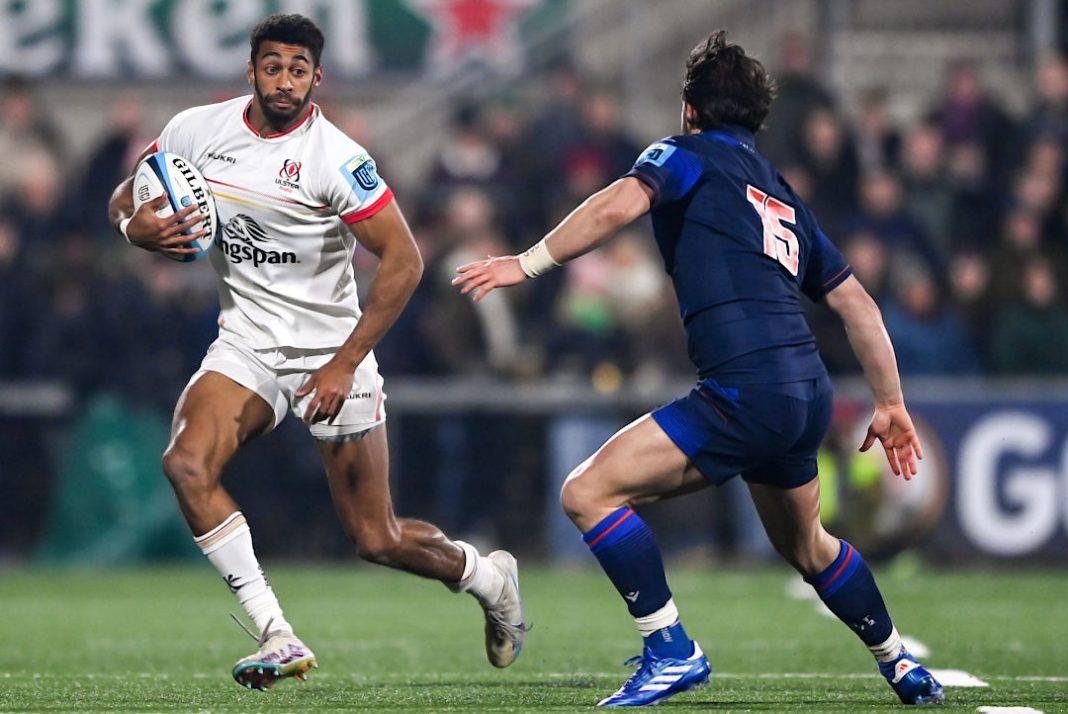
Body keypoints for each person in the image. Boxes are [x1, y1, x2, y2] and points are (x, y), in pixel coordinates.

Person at [454, 31, 944, 708]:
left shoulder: (685, 155)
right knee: (810, 547)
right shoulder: (778, 190)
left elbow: (618, 202)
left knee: (587, 493)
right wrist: (891, 403)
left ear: (690, 109)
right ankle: (901, 665)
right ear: (756, 119)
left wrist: (525, 262)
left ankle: (670, 648)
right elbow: (856, 300)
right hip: (805, 393)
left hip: (746, 389)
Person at [106, 14, 525, 691]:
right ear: (251, 70)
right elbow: (129, 193)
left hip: (333, 348)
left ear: (317, 77)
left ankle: (488, 577)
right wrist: (135, 227)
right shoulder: (194, 130)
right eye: (272, 66)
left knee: (376, 539)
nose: (284, 80)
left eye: (298, 69)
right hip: (246, 340)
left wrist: (343, 362)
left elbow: (405, 262)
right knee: (185, 464)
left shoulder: (337, 159)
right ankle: (278, 632)